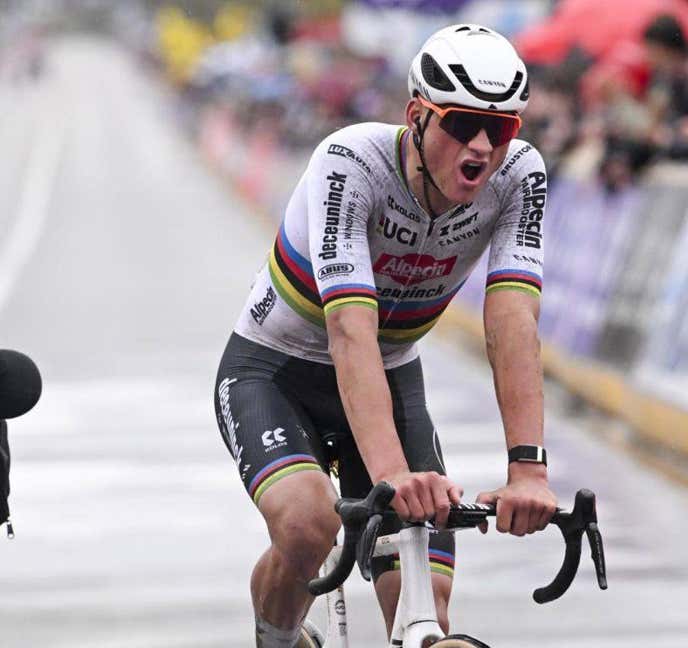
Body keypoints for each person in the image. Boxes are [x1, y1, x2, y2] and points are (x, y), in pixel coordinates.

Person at [212, 24, 557, 647]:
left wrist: (528, 468)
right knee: (306, 527)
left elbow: (512, 323)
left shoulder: (519, 175)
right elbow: (349, 327)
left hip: (391, 372)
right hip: (277, 368)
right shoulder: (351, 162)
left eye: (501, 128)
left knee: (424, 598)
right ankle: (278, 637)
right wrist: (394, 474)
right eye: (460, 124)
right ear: (417, 117)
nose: (482, 146)